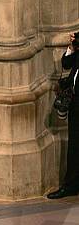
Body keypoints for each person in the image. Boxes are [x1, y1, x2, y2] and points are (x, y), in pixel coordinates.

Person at [48, 32, 79, 199]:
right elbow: (67, 64)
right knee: (74, 148)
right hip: (76, 104)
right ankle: (71, 186)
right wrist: (72, 48)